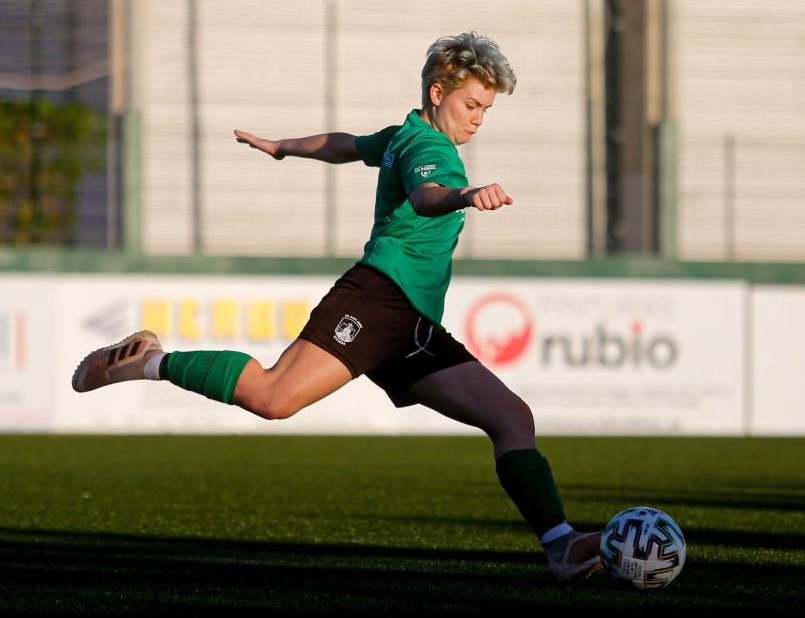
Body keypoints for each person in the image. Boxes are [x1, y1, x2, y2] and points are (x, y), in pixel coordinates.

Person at [72, 32, 602, 582]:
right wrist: (465, 195)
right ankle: (148, 360)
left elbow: (346, 144)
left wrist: (285, 147)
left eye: (486, 111)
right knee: (274, 397)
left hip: (412, 324)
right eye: (471, 106)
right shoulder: (429, 149)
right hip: (377, 301)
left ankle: (561, 546)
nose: (477, 121)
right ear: (437, 91)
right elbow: (427, 197)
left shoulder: (402, 135)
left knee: (511, 418)